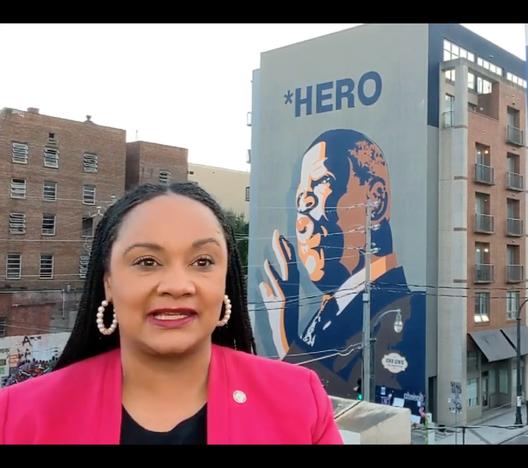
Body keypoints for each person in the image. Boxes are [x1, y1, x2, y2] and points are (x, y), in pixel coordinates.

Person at [0, 182, 342, 445]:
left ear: (225, 278)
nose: (178, 286)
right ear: (108, 282)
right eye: (147, 262)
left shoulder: (300, 401)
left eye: (203, 262)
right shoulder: (17, 416)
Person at [258, 129, 425, 412]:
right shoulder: (324, 312)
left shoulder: (405, 313)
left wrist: (286, 346)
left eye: (320, 187)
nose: (303, 216)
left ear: (376, 201)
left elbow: (362, 414)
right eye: (300, 200)